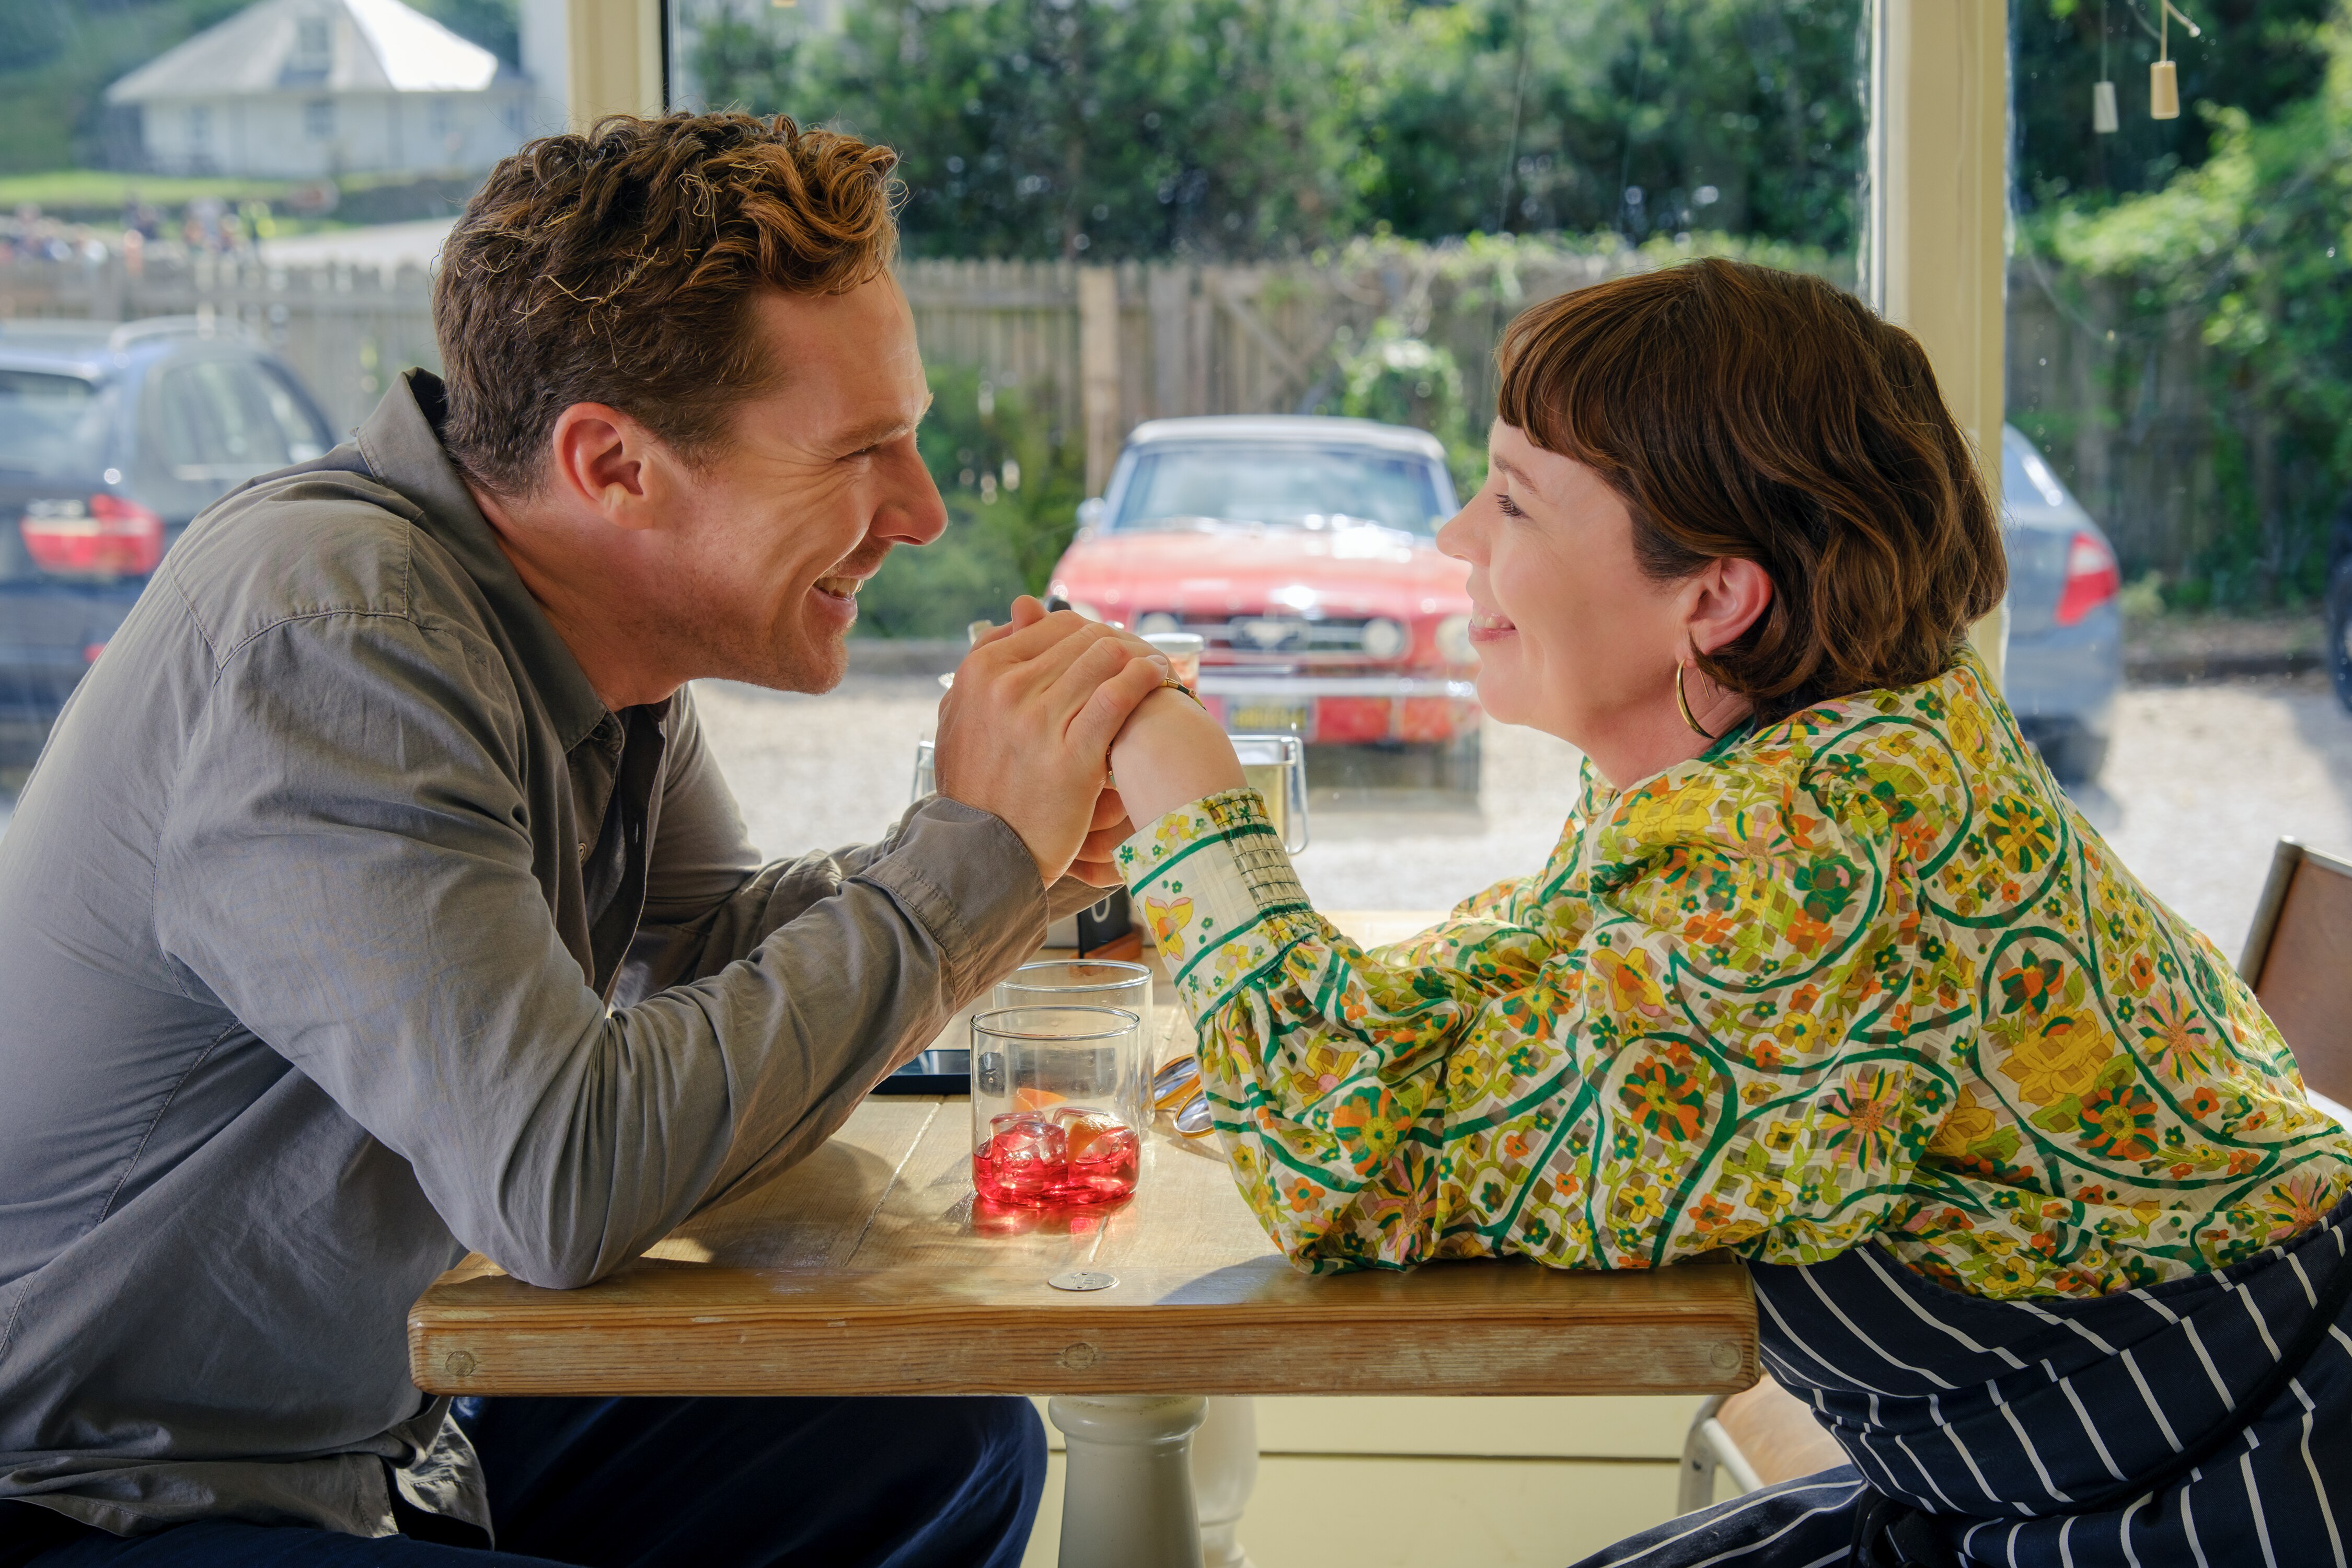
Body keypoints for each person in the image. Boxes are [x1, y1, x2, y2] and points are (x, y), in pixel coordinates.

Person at [0, 113, 1169, 1565]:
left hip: (381, 1437)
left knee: (935, 1440)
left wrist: (1031, 870)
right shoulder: (340, 642)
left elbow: (711, 953)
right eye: (862, 452)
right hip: (100, 1491)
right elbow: (562, 1178)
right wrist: (964, 858)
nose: (921, 514)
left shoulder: (579, 639)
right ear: (612, 465)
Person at [1102, 258, 2352, 1565]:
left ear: (1713, 598)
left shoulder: (1820, 867)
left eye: (1515, 502)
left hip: (2219, 1504)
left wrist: (1188, 803)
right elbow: (1468, 1021)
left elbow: (1346, 1170)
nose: (1457, 537)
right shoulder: (1761, 770)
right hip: (2028, 1479)